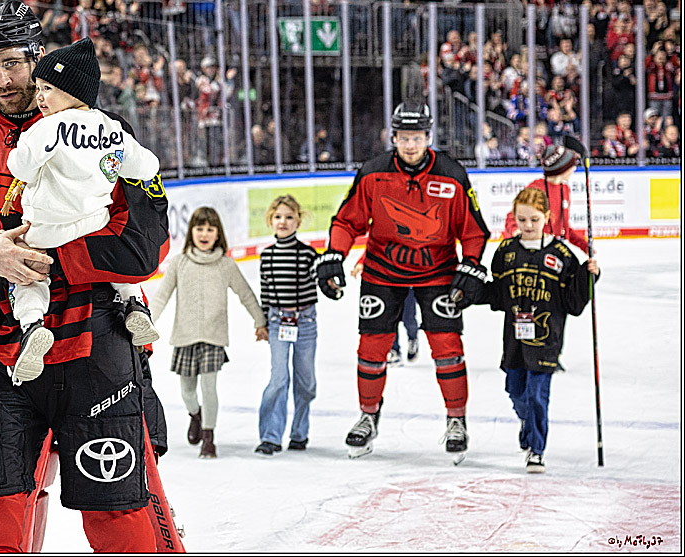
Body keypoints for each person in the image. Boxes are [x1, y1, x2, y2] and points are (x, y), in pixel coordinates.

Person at [0, 1, 171, 552]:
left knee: (123, 520)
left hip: (96, 348)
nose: (2, 80)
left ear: (36, 58)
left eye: (12, 63)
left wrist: (57, 256)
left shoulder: (107, 134)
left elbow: (148, 247)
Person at [315, 101, 489, 460]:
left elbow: (473, 229)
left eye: (417, 137)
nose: (410, 145)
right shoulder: (373, 173)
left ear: (428, 137)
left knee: (447, 347)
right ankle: (367, 415)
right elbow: (347, 221)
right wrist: (335, 254)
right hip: (382, 270)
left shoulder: (452, 175)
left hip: (438, 271)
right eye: (403, 138)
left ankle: (456, 420)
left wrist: (471, 265)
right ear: (393, 137)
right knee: (372, 349)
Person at [4, 38, 161, 384]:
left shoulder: (46, 127)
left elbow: (21, 167)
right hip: (95, 224)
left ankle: (32, 326)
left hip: (46, 227)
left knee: (26, 272)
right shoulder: (112, 128)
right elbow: (147, 167)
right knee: (115, 263)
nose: (39, 97)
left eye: (48, 88)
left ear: (73, 91)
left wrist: (25, 148)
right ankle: (135, 303)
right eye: (38, 89)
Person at [477, 187, 599, 473]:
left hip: (547, 337)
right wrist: (473, 289)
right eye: (521, 220)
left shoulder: (561, 253)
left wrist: (589, 275)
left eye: (534, 219)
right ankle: (527, 422)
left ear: (547, 216)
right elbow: (497, 295)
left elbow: (573, 301)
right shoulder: (505, 252)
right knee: (516, 389)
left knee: (537, 394)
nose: (528, 226)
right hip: (514, 337)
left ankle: (536, 449)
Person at [148, 206, 267, 459]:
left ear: (218, 234)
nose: (204, 233)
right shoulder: (179, 262)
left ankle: (209, 438)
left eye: (210, 229)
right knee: (187, 392)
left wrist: (260, 321)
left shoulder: (225, 265)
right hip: (184, 336)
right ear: (191, 232)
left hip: (213, 337)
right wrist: (148, 324)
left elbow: (246, 294)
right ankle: (195, 414)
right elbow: (161, 297)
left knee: (209, 387)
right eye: (199, 228)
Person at [254, 195, 319, 455]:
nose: (283, 221)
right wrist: (262, 323)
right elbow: (266, 293)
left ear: (298, 221)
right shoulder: (267, 256)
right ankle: (270, 436)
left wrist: (332, 283)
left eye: (289, 217)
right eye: (278, 216)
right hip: (277, 320)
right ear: (271, 220)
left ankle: (299, 432)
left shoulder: (307, 254)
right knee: (279, 378)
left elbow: (319, 286)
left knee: (306, 381)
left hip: (305, 322)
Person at [502, 144, 588, 254]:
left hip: (552, 248)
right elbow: (513, 218)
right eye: (571, 165)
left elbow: (563, 226)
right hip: (533, 250)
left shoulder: (565, 189)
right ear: (561, 168)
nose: (574, 169)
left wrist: (583, 245)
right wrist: (517, 233)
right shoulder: (536, 189)